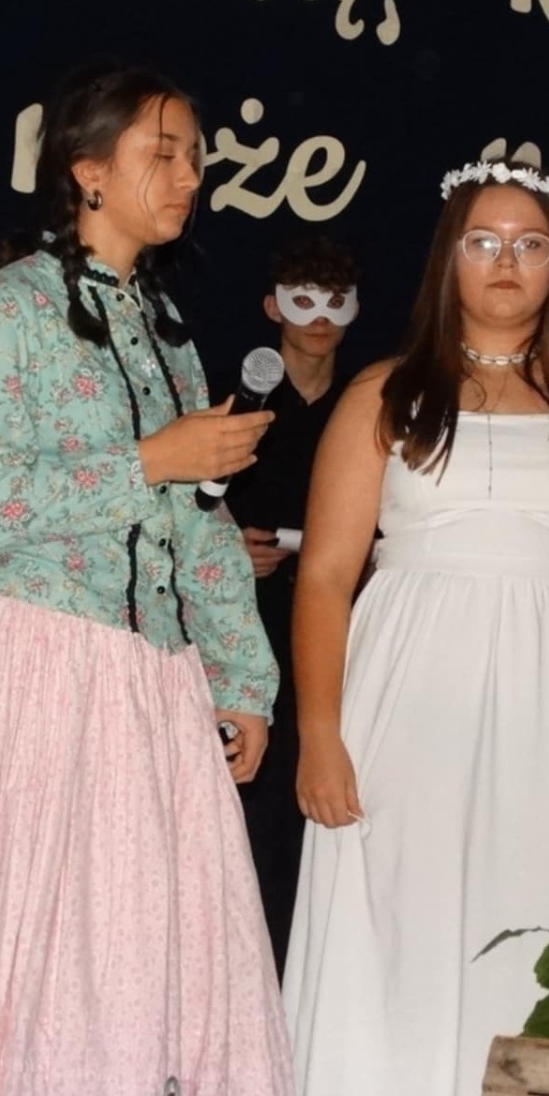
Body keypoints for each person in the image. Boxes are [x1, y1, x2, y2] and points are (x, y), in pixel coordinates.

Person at [0, 61, 293, 1096]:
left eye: (194, 156)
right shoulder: (6, 311)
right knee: (18, 941)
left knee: (135, 944)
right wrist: (151, 458)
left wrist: (245, 681)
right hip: (30, 662)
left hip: (147, 678)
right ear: (88, 172)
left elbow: (198, 527)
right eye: (162, 153)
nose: (187, 176)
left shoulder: (167, 329)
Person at [283, 160, 549, 1096]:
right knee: (399, 942)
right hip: (402, 708)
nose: (508, 262)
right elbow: (323, 576)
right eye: (485, 242)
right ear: (448, 259)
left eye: (531, 244)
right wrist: (319, 732)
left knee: (545, 933)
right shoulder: (383, 394)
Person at [222, 235, 360, 973]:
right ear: (272, 308)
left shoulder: (368, 404)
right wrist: (226, 547)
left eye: (335, 301)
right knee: (249, 806)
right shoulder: (235, 397)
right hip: (244, 626)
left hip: (346, 626)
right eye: (303, 300)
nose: (320, 317)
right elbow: (180, 500)